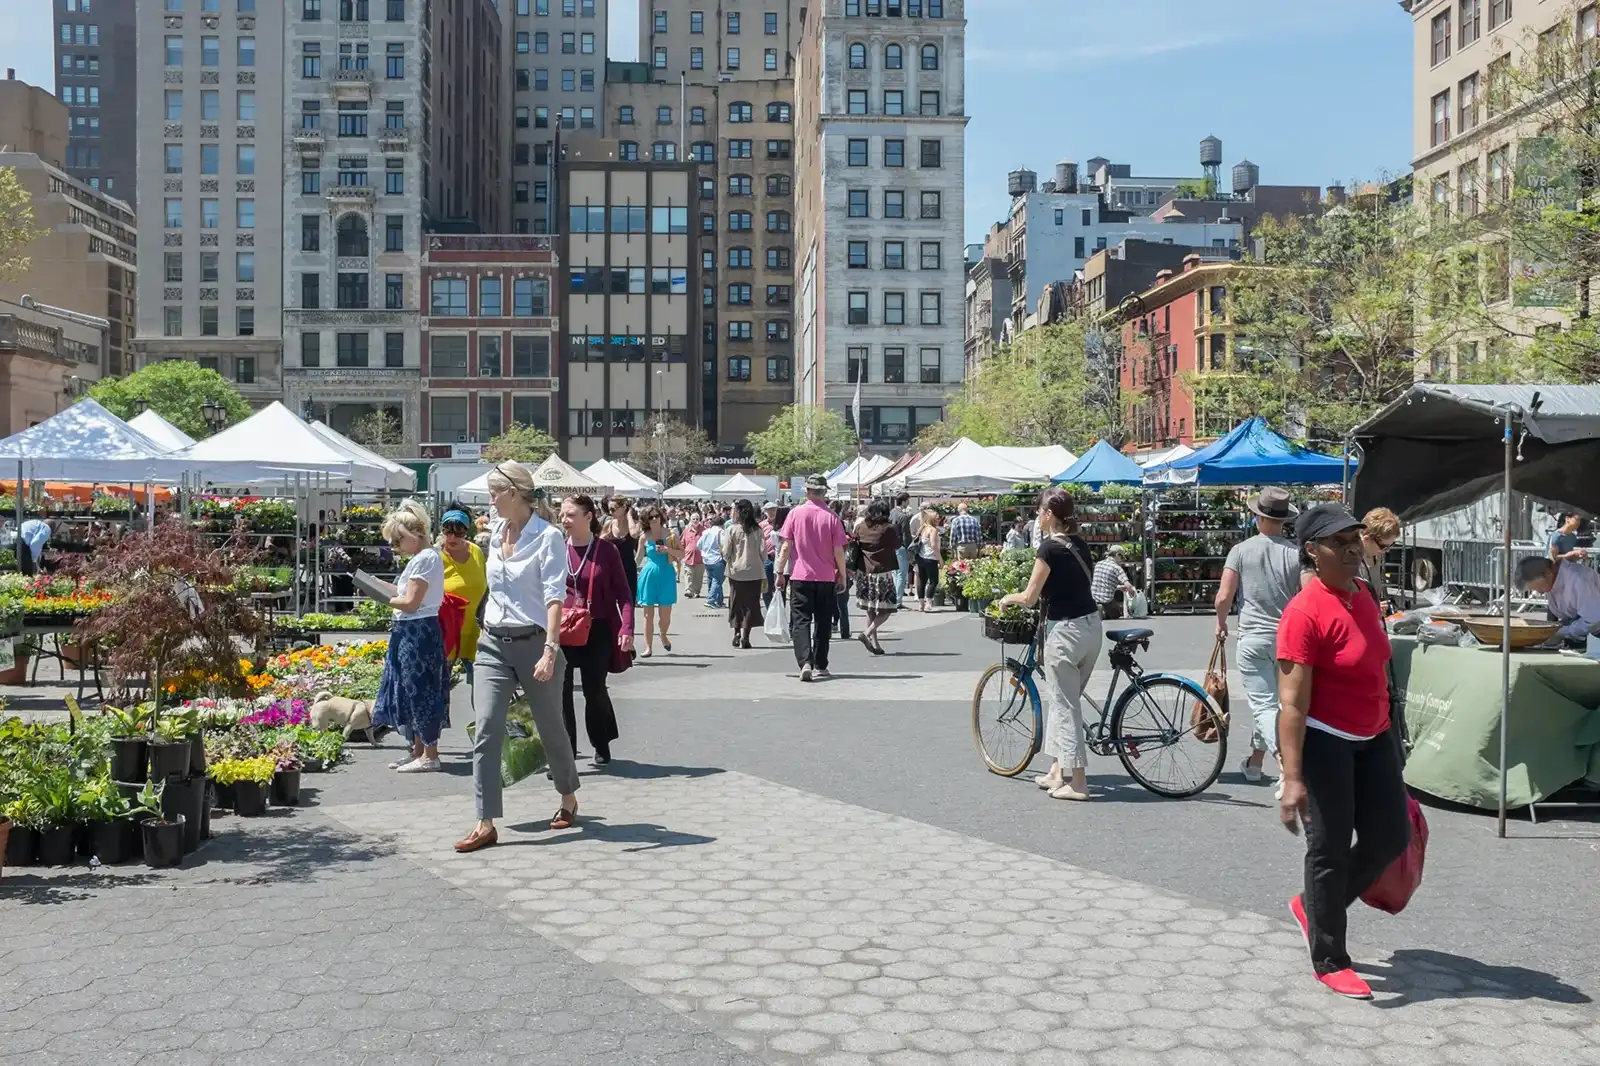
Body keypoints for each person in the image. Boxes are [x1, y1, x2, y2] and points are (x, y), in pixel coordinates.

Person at [1276, 504, 1411, 1001]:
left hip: (1375, 739)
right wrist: (1293, 778)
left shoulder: (1364, 595)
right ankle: (1330, 956)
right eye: (1342, 544)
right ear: (1314, 551)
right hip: (1326, 742)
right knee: (1328, 849)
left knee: (1390, 837)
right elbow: (1290, 704)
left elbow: (1376, 669)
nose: (1356, 551)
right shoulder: (1303, 613)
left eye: (1357, 540)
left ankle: (1313, 905)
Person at [457, 463, 577, 854]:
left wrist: (550, 649)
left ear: (516, 493)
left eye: (495, 493)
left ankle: (567, 796)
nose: (490, 500)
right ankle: (485, 821)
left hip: (535, 643)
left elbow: (554, 596)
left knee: (549, 725)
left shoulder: (549, 537)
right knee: (489, 726)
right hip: (493, 642)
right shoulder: (494, 534)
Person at [998, 488, 1102, 801]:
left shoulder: (1048, 549)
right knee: (1062, 698)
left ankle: (1079, 782)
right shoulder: (1081, 545)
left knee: (1065, 704)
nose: (1036, 517)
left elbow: (1030, 597)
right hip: (1091, 628)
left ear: (1048, 515)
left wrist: (1007, 598)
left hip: (1066, 634)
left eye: (1039, 511)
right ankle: (1058, 771)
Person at [1215, 487, 1308, 789]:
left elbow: (1224, 597)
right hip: (1289, 638)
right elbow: (1308, 596)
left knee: (1264, 705)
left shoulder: (1241, 550)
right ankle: (1255, 763)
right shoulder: (1297, 553)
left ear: (1257, 517)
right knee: (1276, 705)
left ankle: (1287, 767)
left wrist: (1220, 623)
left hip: (1254, 635)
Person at [372, 501, 450, 774]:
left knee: (421, 690)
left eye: (398, 539)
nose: (395, 546)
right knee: (409, 689)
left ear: (412, 536)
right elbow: (408, 594)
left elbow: (411, 603)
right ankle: (419, 751)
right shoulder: (424, 558)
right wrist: (378, 585)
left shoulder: (426, 558)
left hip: (417, 631)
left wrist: (384, 597)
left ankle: (429, 753)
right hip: (412, 630)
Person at [559, 494, 633, 766]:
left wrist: (626, 627)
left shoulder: (606, 550)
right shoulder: (555, 547)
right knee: (560, 693)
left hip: (598, 629)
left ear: (588, 517)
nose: (564, 520)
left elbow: (623, 593)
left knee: (594, 690)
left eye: (570, 515)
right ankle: (564, 755)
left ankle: (601, 741)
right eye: (562, 514)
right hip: (562, 629)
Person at [776, 474, 848, 682]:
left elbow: (786, 547)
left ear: (807, 491)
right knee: (824, 621)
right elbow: (838, 551)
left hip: (800, 575)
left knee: (801, 620)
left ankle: (805, 661)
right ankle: (821, 663)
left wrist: (780, 572)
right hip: (825, 577)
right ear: (824, 492)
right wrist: (842, 575)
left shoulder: (795, 514)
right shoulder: (832, 517)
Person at [438, 506, 488, 690]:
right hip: (444, 633)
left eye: (458, 533)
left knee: (483, 690)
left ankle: (483, 721)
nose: (452, 538)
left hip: (475, 633)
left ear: (467, 531)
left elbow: (487, 588)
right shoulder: (435, 556)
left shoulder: (476, 552)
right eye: (447, 531)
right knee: (439, 690)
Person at [853, 500, 902, 655]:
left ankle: (875, 644)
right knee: (887, 608)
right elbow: (897, 545)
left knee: (870, 608)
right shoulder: (888, 528)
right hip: (882, 571)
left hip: (864, 572)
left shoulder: (861, 526)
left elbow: (856, 542)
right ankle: (867, 633)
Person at [1519, 554, 1600, 643]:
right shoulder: (1552, 582)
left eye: (1534, 586)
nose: (1535, 591)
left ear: (1548, 573)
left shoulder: (1577, 580)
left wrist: (1563, 632)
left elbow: (1594, 619)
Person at [634, 506, 682, 656]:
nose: (654, 519)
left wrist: (668, 550)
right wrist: (627, 572)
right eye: (651, 517)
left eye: (657, 516)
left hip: (666, 575)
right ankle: (648, 647)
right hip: (648, 575)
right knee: (648, 615)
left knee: (665, 616)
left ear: (661, 517)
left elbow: (682, 553)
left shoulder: (671, 534)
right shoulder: (644, 537)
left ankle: (663, 634)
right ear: (646, 520)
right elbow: (638, 558)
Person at [722, 500, 767, 649]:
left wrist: (729, 559)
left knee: (736, 602)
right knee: (751, 605)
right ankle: (745, 637)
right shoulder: (758, 530)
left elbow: (726, 552)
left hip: (736, 571)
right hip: (755, 571)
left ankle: (736, 632)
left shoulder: (732, 529)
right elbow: (764, 554)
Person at [1359, 507, 1401, 614]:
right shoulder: (1349, 562)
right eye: (1383, 546)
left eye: (1391, 545)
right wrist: (1372, 607)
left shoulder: (1374, 556)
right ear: (1366, 540)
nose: (1386, 551)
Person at [603, 497, 641, 610]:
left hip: (628, 569)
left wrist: (629, 515)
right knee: (610, 607)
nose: (610, 512)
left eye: (613, 509)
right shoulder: (609, 524)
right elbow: (599, 543)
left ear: (624, 507)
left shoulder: (635, 524)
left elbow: (634, 534)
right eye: (609, 509)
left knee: (628, 606)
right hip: (611, 570)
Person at [1090, 545, 1136, 620]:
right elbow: (1128, 586)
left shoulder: (1098, 564)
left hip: (1093, 599)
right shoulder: (1116, 568)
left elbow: (1104, 584)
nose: (1122, 560)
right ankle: (1104, 612)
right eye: (1122, 557)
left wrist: (1118, 588)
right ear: (1117, 555)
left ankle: (1097, 611)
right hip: (1106, 601)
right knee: (1117, 613)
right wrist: (1133, 596)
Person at [914, 507, 944, 612]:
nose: (939, 520)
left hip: (921, 558)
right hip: (930, 558)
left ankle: (921, 604)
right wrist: (940, 559)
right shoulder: (933, 530)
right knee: (933, 581)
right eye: (937, 518)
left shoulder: (922, 529)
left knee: (922, 581)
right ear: (932, 519)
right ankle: (929, 603)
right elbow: (934, 546)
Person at [697, 515, 727, 610]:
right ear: (722, 524)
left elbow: (699, 545)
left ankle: (719, 600)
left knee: (712, 580)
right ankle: (711, 600)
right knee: (718, 580)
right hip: (717, 559)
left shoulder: (706, 532)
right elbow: (724, 545)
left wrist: (705, 551)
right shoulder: (721, 532)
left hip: (706, 559)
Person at [890, 494, 914, 605]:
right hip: (901, 546)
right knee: (901, 574)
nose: (909, 502)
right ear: (903, 501)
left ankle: (894, 597)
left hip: (892, 546)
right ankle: (898, 600)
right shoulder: (903, 516)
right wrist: (909, 549)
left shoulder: (892, 513)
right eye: (908, 500)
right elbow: (906, 535)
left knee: (895, 573)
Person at [681, 510, 706, 598]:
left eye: (697, 519)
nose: (695, 520)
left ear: (699, 520)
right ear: (690, 520)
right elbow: (682, 543)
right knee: (688, 574)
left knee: (698, 577)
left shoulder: (704, 530)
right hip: (688, 557)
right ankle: (688, 590)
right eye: (693, 519)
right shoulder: (686, 531)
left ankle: (696, 591)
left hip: (700, 558)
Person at [760, 501, 780, 607]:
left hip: (780, 558)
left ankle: (779, 610)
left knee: (780, 587)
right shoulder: (761, 525)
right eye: (769, 510)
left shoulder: (783, 523)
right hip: (766, 559)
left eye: (774, 509)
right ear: (765, 512)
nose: (771, 512)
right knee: (765, 587)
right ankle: (769, 610)